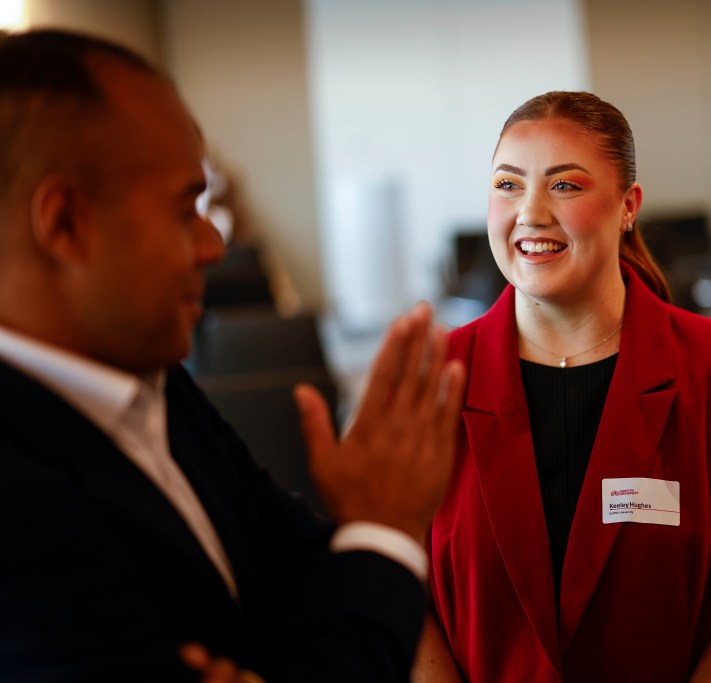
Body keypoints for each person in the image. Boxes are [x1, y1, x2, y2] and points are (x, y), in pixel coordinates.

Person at [0, 29, 465, 681]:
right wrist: (386, 529)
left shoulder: (156, 381)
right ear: (66, 224)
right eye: (184, 209)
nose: (213, 247)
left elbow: (299, 571)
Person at [417, 91, 711, 682]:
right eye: (507, 184)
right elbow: (399, 602)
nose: (530, 212)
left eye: (564, 185)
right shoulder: (430, 382)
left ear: (628, 207)